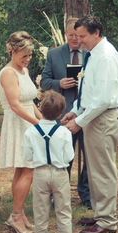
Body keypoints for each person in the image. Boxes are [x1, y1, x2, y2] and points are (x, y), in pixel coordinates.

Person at [62, 16, 118, 233]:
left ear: (96, 33)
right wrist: (75, 110)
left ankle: (108, 221)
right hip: (93, 116)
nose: (78, 40)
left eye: (82, 36)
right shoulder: (93, 55)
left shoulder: (105, 56)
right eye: (76, 36)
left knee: (103, 171)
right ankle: (100, 214)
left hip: (102, 119)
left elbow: (104, 99)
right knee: (95, 172)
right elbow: (89, 92)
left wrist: (79, 122)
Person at [40, 17, 91, 208]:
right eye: (71, 35)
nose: (75, 39)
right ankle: (60, 194)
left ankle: (86, 195)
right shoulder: (54, 54)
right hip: (63, 114)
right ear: (65, 34)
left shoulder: (90, 53)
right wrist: (59, 83)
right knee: (62, 156)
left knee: (89, 156)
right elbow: (45, 81)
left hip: (87, 112)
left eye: (78, 36)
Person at [0, 31, 42, 233]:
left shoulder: (23, 71)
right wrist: (37, 125)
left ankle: (19, 213)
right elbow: (15, 105)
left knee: (23, 170)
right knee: (28, 170)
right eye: (24, 55)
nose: (28, 59)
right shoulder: (8, 73)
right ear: (12, 51)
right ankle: (16, 216)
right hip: (18, 124)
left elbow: (29, 101)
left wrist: (44, 121)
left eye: (30, 55)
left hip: (29, 121)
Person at [23, 90, 74, 233]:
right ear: (60, 113)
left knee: (40, 210)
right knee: (63, 210)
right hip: (60, 173)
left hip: (40, 173)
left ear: (40, 109)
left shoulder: (31, 132)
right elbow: (69, 156)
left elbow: (27, 156)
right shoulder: (64, 132)